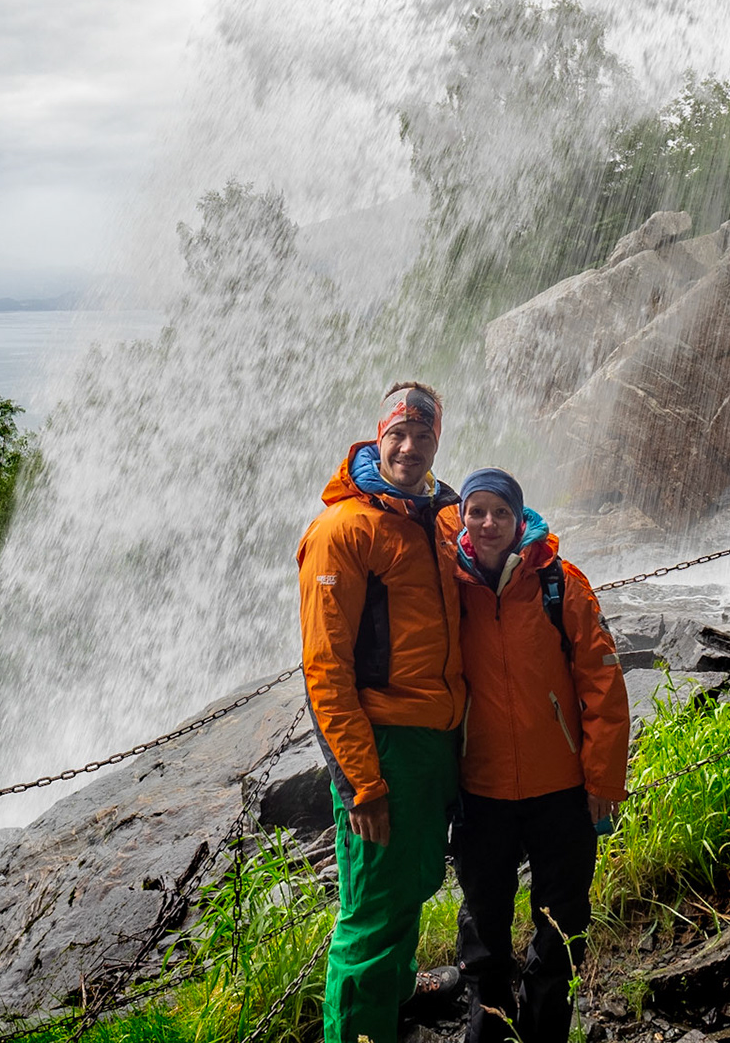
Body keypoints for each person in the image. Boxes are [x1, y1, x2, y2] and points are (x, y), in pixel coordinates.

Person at [298, 382, 467, 1043]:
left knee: (411, 879)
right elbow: (325, 670)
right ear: (377, 433)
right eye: (397, 434)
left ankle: (394, 992)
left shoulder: (440, 515)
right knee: (369, 911)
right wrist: (360, 782)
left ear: (435, 440)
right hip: (385, 744)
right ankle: (360, 1028)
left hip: (437, 739)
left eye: (422, 436)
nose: (408, 447)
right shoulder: (344, 529)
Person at [449, 467, 628, 1043]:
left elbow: (602, 684)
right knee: (484, 937)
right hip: (481, 792)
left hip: (561, 789)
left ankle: (545, 1036)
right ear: (462, 517)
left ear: (520, 517)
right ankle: (489, 1035)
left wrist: (602, 782)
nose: (488, 522)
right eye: (477, 510)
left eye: (501, 512)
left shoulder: (560, 584)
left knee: (560, 931)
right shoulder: (446, 587)